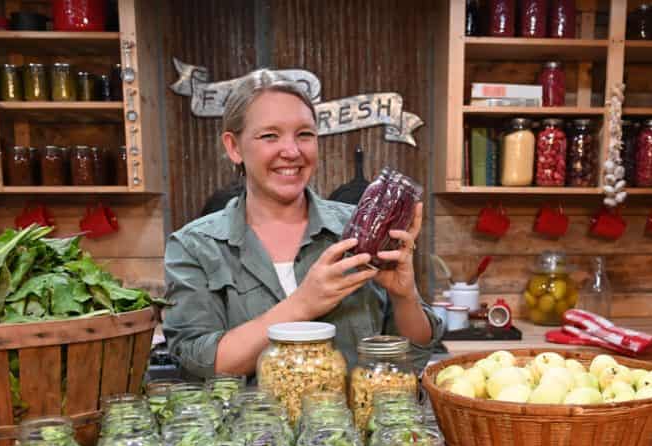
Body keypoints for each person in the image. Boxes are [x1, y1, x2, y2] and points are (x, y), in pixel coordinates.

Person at [163, 69, 443, 380]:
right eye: (270, 135)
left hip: (352, 427)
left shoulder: (360, 231)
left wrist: (405, 296)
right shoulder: (194, 246)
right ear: (234, 147)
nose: (292, 151)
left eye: (305, 134)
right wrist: (302, 305)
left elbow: (410, 356)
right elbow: (200, 361)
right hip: (250, 429)